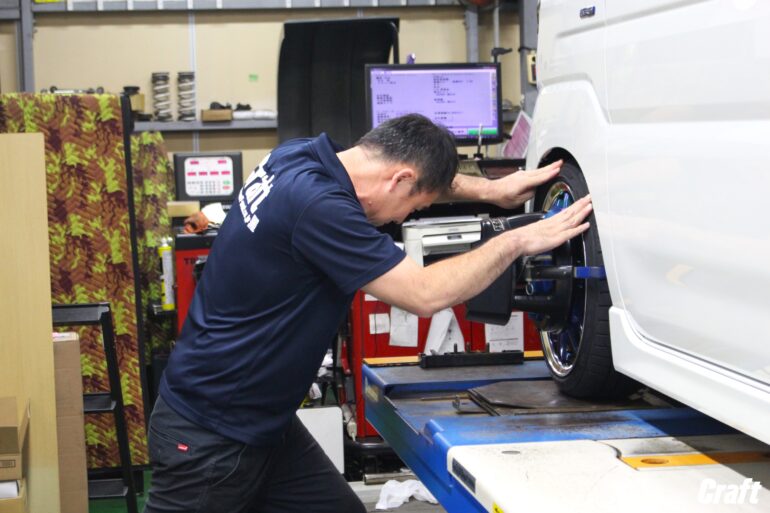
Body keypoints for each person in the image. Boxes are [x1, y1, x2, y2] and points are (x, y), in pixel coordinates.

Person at [144, 114, 592, 513]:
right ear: (399, 179)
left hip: (261, 424)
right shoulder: (320, 208)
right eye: (414, 207)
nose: (404, 218)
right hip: (210, 435)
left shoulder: (296, 156)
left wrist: (491, 190)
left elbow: (420, 176)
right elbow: (424, 293)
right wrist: (516, 241)